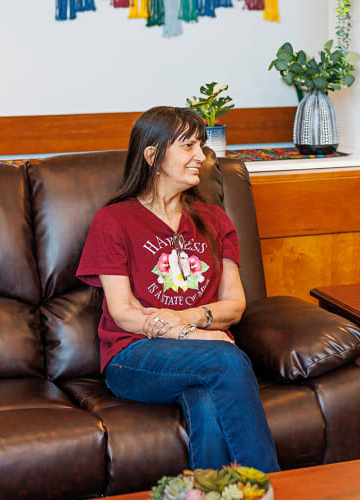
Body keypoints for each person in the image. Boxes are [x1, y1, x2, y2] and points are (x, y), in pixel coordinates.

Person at [76, 106, 280, 473]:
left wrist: (184, 319)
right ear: (153, 155)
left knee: (206, 401)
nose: (200, 156)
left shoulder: (215, 219)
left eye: (200, 145)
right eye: (188, 146)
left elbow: (235, 305)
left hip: (204, 357)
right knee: (228, 360)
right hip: (134, 356)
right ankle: (266, 488)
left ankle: (207, 493)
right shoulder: (114, 220)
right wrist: (196, 334)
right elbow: (124, 313)